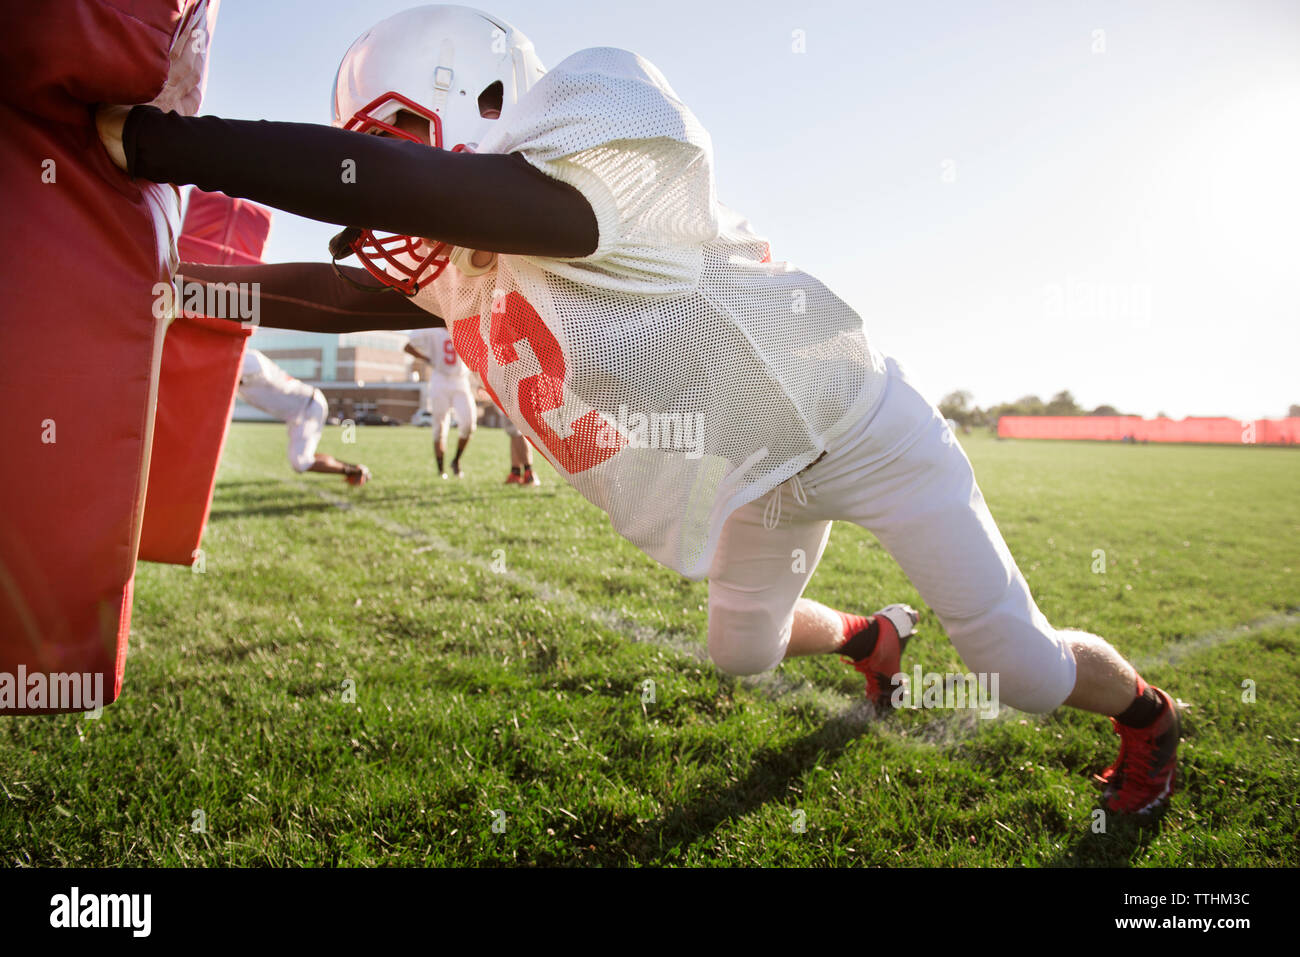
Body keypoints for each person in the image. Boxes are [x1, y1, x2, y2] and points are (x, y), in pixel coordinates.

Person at [97, 4, 1179, 815]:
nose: (391, 174)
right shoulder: (456, 244)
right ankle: (869, 637)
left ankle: (1150, 719)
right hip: (759, 475)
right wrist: (188, 289)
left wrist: (163, 144)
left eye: (402, 138)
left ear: (486, 104)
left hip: (861, 429)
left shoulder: (597, 133)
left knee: (1020, 675)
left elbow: (411, 192)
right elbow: (341, 289)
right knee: (740, 657)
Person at [239, 348, 371, 486]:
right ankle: (354, 468)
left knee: (300, 462)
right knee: (304, 458)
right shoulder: (245, 358)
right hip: (300, 410)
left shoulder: (250, 358)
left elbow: (238, 376)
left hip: (307, 406)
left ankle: (355, 471)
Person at [406, 325, 476, 478]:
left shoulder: (462, 327)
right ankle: (441, 469)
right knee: (440, 427)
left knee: (468, 424)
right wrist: (426, 358)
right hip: (440, 379)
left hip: (461, 380)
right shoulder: (431, 329)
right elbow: (408, 347)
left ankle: (456, 460)